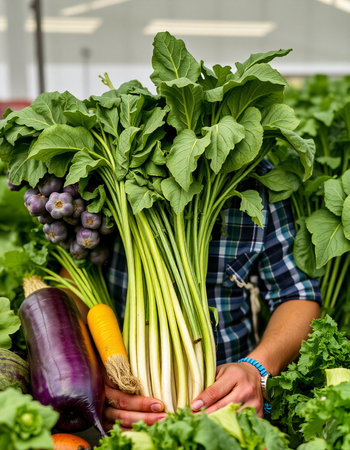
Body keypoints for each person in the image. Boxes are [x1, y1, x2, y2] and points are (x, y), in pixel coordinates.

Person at [102, 161, 321, 431]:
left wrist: (256, 369)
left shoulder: (256, 175)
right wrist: (93, 377)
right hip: (124, 407)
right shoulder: (111, 169)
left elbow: (298, 294)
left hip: (228, 411)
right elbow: (75, 278)